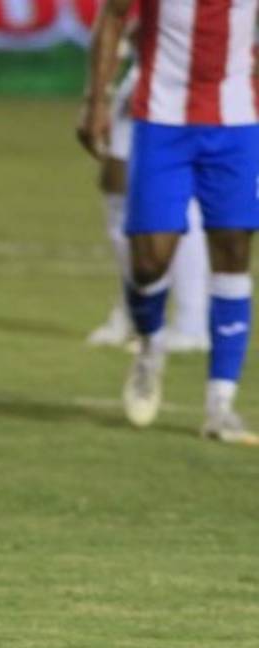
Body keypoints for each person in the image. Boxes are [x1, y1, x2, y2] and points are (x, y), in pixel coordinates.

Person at [78, 0, 259, 444]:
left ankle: (221, 405)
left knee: (234, 250)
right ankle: (149, 346)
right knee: (148, 262)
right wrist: (95, 101)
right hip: (161, 119)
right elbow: (114, 16)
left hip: (236, 120)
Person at [86, 57, 209, 353]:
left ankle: (191, 324)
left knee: (179, 195)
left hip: (193, 76)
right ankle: (135, 310)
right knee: (117, 185)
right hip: (155, 69)